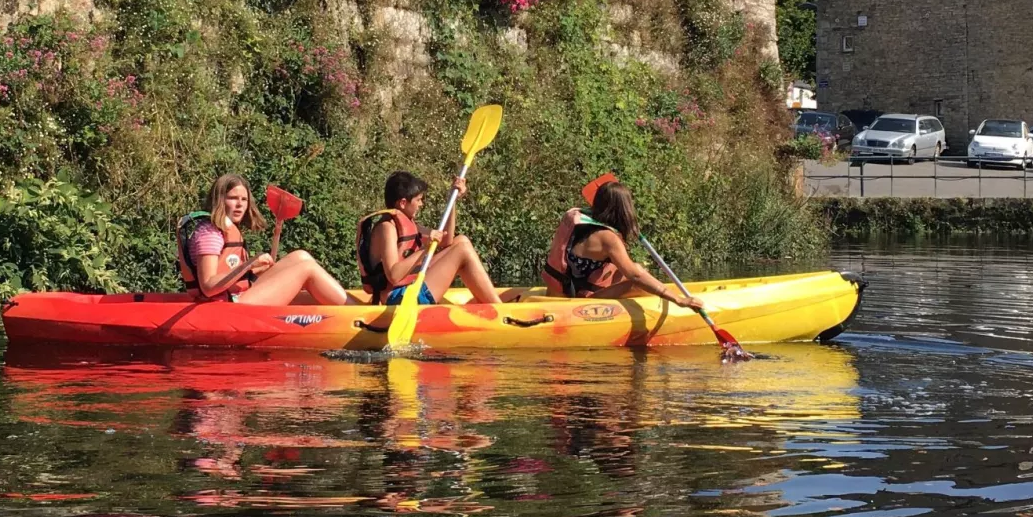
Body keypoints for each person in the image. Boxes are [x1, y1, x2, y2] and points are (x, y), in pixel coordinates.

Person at [179, 173, 356, 306]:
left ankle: (347, 307)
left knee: (301, 257)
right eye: (233, 198)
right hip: (229, 306)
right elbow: (209, 286)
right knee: (306, 269)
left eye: (244, 199)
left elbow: (232, 274)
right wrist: (249, 265)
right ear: (219, 200)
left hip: (238, 296)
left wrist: (255, 271)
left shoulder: (227, 229)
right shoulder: (209, 233)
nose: (240, 204)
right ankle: (363, 318)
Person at [356, 171, 520, 305]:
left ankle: (490, 304)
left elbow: (447, 240)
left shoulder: (407, 224)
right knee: (461, 249)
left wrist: (452, 200)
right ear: (403, 203)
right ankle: (498, 311)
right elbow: (393, 275)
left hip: (408, 287)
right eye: (419, 200)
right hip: (398, 297)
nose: (421, 204)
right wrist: (424, 249)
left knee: (461, 241)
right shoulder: (387, 228)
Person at [540, 180, 705, 309]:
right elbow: (636, 276)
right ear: (623, 209)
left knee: (627, 268)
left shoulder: (578, 217)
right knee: (638, 280)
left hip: (560, 291)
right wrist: (678, 299)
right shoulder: (608, 239)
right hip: (579, 301)